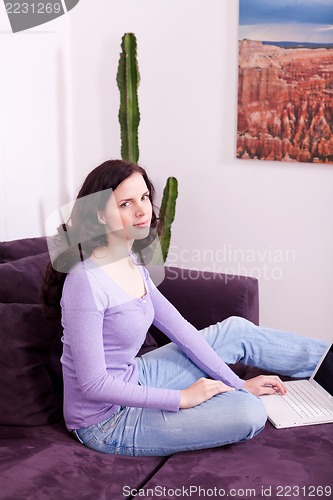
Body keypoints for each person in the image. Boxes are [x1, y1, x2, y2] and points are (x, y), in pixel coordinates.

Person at [43, 159, 327, 457]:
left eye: (143, 198)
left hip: (134, 376)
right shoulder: (85, 281)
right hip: (104, 422)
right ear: (100, 214)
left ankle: (327, 365)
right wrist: (181, 398)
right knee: (249, 412)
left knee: (236, 331)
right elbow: (93, 385)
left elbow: (182, 331)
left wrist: (238, 383)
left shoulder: (130, 263)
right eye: (125, 204)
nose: (142, 211)